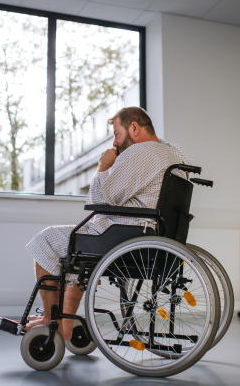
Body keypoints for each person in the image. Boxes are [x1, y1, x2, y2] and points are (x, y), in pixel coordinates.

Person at [24, 106, 189, 340]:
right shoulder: (174, 153)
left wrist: (103, 167)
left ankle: (51, 320)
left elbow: (98, 201)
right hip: (157, 237)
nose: (116, 142)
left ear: (134, 127)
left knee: (47, 240)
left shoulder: (141, 152)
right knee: (80, 253)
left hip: (125, 236)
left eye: (117, 134)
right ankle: (66, 324)